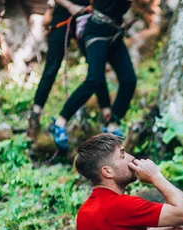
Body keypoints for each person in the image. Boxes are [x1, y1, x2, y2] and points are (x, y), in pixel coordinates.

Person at [49, 0, 136, 149]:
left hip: (114, 31)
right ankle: (59, 122)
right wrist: (71, 6)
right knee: (94, 79)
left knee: (129, 80)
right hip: (96, 31)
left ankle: (112, 124)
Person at [28, 0, 111, 147]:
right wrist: (70, 6)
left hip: (85, 16)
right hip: (63, 16)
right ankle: (35, 115)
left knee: (96, 69)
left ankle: (108, 116)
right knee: (52, 68)